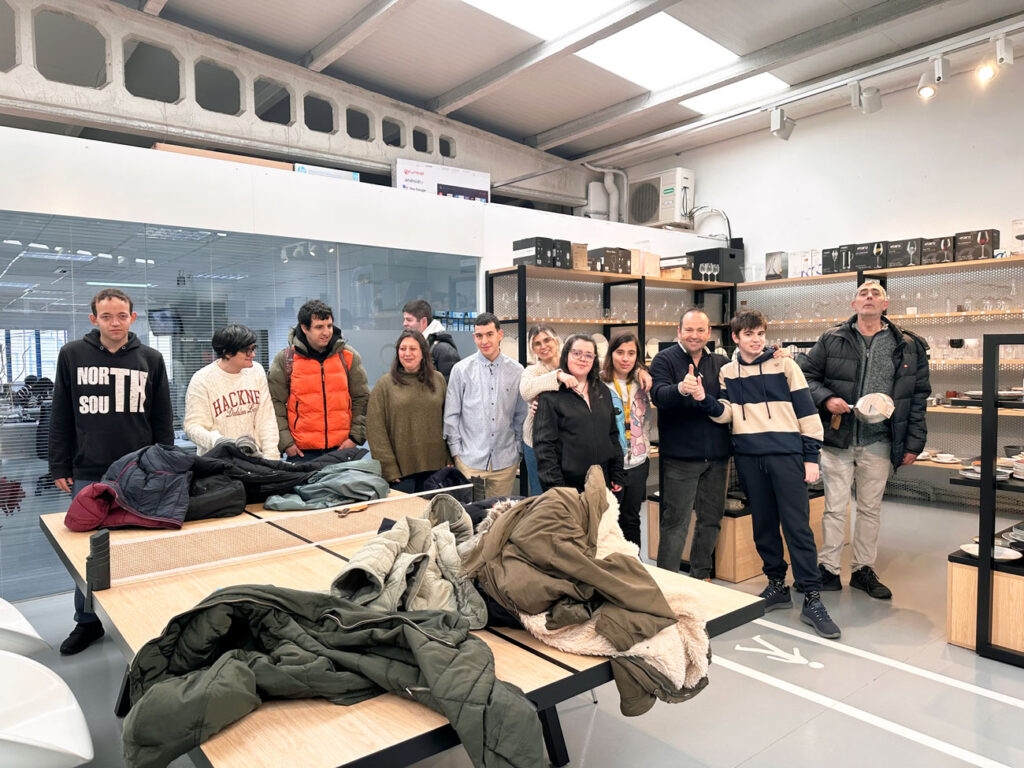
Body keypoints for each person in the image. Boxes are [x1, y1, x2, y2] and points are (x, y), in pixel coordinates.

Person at [691, 310, 841, 640]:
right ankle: (777, 585)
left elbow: (807, 411)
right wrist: (704, 400)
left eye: (760, 333)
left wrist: (811, 457)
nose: (756, 340)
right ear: (735, 338)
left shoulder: (785, 365)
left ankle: (812, 596)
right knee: (763, 525)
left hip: (786, 456)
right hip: (748, 457)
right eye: (749, 334)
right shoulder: (728, 372)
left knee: (797, 526)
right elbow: (727, 413)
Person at [49, 288, 173, 654]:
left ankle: (140, 616)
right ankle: (87, 622)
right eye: (106, 316)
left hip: (139, 469)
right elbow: (61, 413)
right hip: (88, 470)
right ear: (94, 319)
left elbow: (162, 417)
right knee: (87, 553)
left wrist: (165, 464)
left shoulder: (151, 358)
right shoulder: (72, 355)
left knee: (139, 547)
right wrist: (59, 464)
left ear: (132, 318)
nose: (115, 323)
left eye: (121, 316)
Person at [800, 280, 930, 599]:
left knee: (870, 508)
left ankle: (863, 570)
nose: (869, 297)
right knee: (834, 508)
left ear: (885, 305)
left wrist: (914, 443)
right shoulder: (832, 338)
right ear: (854, 304)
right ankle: (829, 569)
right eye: (863, 293)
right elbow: (807, 377)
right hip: (838, 438)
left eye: (876, 294)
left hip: (880, 440)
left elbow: (917, 396)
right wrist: (827, 398)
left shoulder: (908, 345)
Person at [649, 308, 732, 579]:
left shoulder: (721, 362)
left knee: (711, 520)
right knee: (675, 522)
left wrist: (775, 355)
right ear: (679, 332)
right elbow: (659, 394)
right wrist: (681, 389)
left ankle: (701, 575)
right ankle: (668, 581)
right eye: (689, 330)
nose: (694, 335)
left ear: (709, 333)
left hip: (718, 457)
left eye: (700, 330)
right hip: (680, 458)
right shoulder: (664, 359)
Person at [268, 299, 369, 462]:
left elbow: (362, 398)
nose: (326, 332)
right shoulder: (286, 359)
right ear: (304, 328)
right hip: (302, 453)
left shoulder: (347, 356)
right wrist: (286, 443)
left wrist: (355, 438)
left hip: (342, 449)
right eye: (319, 327)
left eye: (329, 326)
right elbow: (275, 402)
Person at [443, 313, 527, 498]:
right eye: (479, 336)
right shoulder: (461, 370)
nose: (484, 341)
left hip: (505, 463)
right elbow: (451, 415)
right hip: (469, 462)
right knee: (471, 512)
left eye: (489, 334)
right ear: (474, 337)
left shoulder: (517, 371)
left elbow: (521, 415)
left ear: (500, 334)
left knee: (499, 513)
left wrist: (518, 451)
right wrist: (456, 454)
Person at [533, 334, 624, 493]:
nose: (583, 359)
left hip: (603, 481)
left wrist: (617, 473)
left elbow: (612, 434)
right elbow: (544, 448)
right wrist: (557, 488)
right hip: (568, 486)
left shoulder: (602, 391)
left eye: (589, 355)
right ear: (566, 355)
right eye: (577, 353)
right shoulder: (550, 395)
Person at [366, 330, 449, 492]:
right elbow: (375, 430)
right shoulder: (385, 385)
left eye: (413, 349)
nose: (407, 353)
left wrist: (449, 456)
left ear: (423, 353)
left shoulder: (438, 380)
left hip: (436, 469)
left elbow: (448, 421)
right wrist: (387, 467)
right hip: (401, 473)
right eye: (403, 349)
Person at [183, 323, 278, 458]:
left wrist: (272, 458)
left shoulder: (256, 371)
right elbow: (193, 427)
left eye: (253, 349)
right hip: (218, 461)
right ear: (227, 353)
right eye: (247, 351)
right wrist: (222, 443)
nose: (253, 354)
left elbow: (266, 419)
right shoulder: (201, 380)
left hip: (254, 460)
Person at [601, 333, 652, 548]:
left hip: (638, 462)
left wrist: (642, 371)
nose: (625, 358)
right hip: (611, 464)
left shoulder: (643, 382)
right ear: (610, 354)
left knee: (632, 518)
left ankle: (634, 562)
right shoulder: (599, 383)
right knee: (609, 521)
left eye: (631, 353)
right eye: (620, 352)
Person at [519, 325, 576, 496]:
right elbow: (526, 391)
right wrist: (558, 376)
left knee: (569, 493)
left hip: (569, 439)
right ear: (532, 349)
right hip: (536, 441)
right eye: (537, 344)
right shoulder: (532, 371)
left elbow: (604, 365)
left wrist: (640, 370)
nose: (543, 346)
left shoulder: (573, 363)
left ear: (556, 341)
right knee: (541, 495)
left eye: (547, 340)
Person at [402, 298, 460, 380]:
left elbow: (451, 385)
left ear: (423, 321)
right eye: (404, 319)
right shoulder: (412, 343)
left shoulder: (443, 349)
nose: (404, 324)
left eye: (409, 320)